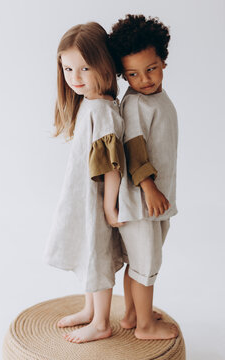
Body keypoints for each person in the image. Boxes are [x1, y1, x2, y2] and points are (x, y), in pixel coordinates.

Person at [44, 22, 125, 343]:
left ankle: (102, 322)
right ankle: (91, 309)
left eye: (85, 68)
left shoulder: (102, 110)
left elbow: (112, 163)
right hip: (83, 196)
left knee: (98, 256)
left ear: (103, 66)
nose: (75, 77)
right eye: (68, 69)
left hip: (97, 199)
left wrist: (109, 205)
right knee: (88, 252)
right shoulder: (89, 105)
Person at [109, 14, 179, 340]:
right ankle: (144, 327)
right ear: (123, 75)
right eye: (132, 74)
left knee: (140, 262)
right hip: (141, 200)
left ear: (163, 60)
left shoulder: (156, 98)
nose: (144, 79)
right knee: (146, 263)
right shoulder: (135, 104)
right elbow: (133, 147)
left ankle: (132, 314)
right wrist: (148, 187)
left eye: (150, 68)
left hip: (157, 198)